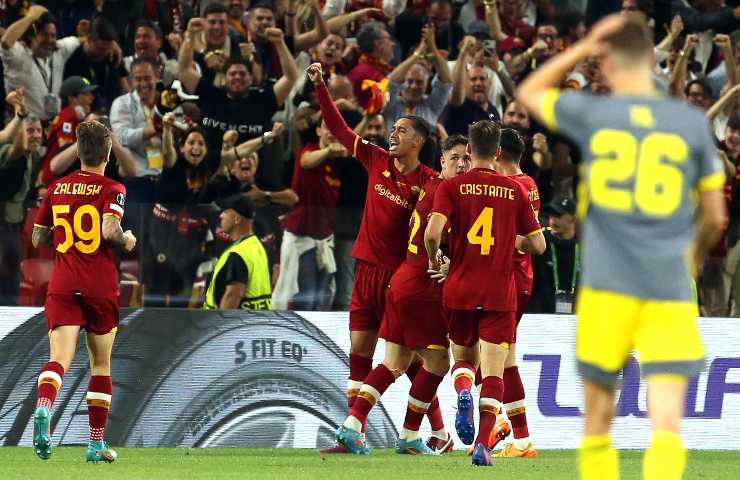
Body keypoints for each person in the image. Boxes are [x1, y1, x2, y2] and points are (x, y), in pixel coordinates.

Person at [516, 14, 726, 480]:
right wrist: (690, 258)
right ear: (652, 58)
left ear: (606, 62)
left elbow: (529, 91)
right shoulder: (689, 122)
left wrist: (583, 44)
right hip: (668, 286)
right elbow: (715, 216)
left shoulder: (596, 114)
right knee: (666, 421)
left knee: (597, 417)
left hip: (607, 286)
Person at [307, 62, 437, 452]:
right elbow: (340, 130)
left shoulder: (430, 182)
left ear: (418, 141)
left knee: (410, 360)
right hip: (364, 271)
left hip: (399, 279)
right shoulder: (376, 160)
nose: (393, 134)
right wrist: (321, 87)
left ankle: (435, 432)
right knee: (360, 356)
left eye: (402, 131)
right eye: (393, 129)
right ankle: (356, 435)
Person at [332, 135, 470, 455]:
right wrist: (443, 262)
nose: (462, 164)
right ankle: (409, 435)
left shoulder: (430, 186)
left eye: (467, 158)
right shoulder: (450, 194)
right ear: (442, 161)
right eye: (455, 157)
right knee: (437, 362)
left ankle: (352, 424)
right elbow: (434, 236)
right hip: (423, 288)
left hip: (401, 282)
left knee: (394, 361)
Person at [424, 119, 544, 466]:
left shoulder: (452, 187)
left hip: (460, 287)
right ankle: (482, 444)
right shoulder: (515, 189)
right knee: (494, 372)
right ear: (498, 151)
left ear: (469, 150)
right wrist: (510, 241)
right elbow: (538, 245)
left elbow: (432, 234)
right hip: (499, 291)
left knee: (464, 362)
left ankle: (463, 390)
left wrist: (435, 259)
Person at [29, 120, 136, 463]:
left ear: (78, 151)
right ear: (108, 154)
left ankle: (44, 406)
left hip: (63, 284)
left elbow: (38, 237)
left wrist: (63, 233)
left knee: (59, 358)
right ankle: (95, 444)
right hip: (99, 286)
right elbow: (109, 230)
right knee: (100, 364)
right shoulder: (113, 188)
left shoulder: (57, 188)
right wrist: (126, 239)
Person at [491, 127, 541, 458]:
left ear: (497, 153)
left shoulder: (513, 187)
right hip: (517, 279)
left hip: (508, 279)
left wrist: (501, 236)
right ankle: (520, 439)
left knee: (486, 353)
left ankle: (499, 422)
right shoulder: (528, 184)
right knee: (503, 357)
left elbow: (528, 242)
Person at [179, 17, 298, 153]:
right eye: (232, 74)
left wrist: (280, 43)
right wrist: (190, 36)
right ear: (224, 78)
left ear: (251, 79)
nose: (237, 77)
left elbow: (291, 77)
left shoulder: (263, 100)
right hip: (213, 163)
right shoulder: (211, 95)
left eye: (242, 74)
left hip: (252, 164)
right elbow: (184, 70)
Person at [0, 6, 81, 120]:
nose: (49, 40)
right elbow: (6, 41)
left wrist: (85, 36)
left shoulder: (59, 50)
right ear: (31, 36)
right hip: (22, 125)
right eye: (44, 35)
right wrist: (30, 17)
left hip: (52, 126)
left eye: (53, 35)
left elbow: (82, 40)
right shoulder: (18, 55)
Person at [0, 89, 42, 306]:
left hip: (14, 226)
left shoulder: (35, 157)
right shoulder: (8, 150)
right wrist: (20, 113)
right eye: (30, 131)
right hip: (2, 225)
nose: (35, 135)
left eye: (38, 130)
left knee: (12, 287)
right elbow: (17, 150)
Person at [203, 194, 272, 310]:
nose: (221, 216)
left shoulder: (238, 254)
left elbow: (233, 296)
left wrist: (220, 320)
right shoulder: (256, 245)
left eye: (226, 212)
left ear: (237, 219)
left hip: (232, 320)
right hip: (255, 318)